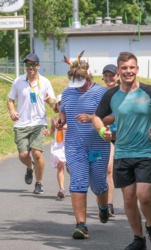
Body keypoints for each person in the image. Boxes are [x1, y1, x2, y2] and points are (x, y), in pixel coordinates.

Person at [93, 52, 151, 250]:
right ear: (118, 71)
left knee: (143, 195)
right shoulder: (111, 95)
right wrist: (102, 132)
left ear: (137, 69)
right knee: (128, 198)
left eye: (131, 67)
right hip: (123, 153)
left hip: (146, 151)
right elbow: (96, 118)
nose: (128, 71)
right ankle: (138, 238)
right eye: (124, 68)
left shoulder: (148, 91)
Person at [59, 51, 111, 239]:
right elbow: (62, 113)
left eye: (81, 83)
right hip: (74, 145)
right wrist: (60, 122)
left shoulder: (101, 93)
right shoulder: (67, 92)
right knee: (78, 181)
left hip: (97, 145)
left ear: (88, 76)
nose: (78, 88)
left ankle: (103, 206)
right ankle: (81, 225)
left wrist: (91, 118)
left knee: (98, 184)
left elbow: (110, 117)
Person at [7, 53, 56, 194]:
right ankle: (30, 167)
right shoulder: (18, 81)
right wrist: (12, 111)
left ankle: (39, 183)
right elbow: (10, 99)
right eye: (28, 64)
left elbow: (54, 105)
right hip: (21, 124)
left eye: (34, 64)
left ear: (38, 66)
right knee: (23, 155)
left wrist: (50, 102)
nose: (31, 67)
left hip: (39, 123)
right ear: (25, 66)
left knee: (37, 153)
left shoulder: (45, 82)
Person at [102, 64, 118, 217]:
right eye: (105, 75)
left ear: (117, 76)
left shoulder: (122, 93)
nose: (108, 78)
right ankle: (108, 204)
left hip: (123, 137)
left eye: (111, 75)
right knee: (108, 170)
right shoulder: (99, 94)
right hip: (106, 137)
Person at [43, 94, 67, 199]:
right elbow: (53, 129)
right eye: (60, 104)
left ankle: (77, 185)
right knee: (60, 165)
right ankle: (61, 189)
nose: (62, 106)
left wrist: (65, 126)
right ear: (57, 106)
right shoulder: (54, 119)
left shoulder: (72, 117)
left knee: (71, 168)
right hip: (59, 144)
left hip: (70, 144)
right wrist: (49, 131)